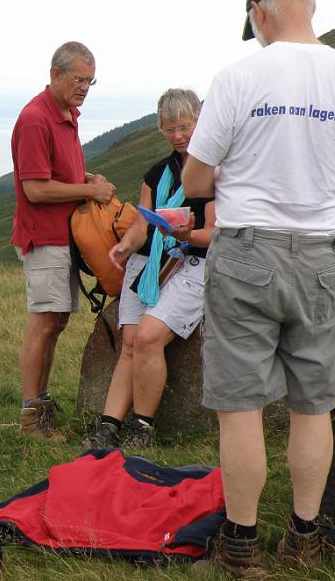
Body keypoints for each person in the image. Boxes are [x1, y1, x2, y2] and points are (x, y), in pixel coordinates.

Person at [182, 0, 335, 576]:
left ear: (258, 13)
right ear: (311, 5)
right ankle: (303, 538)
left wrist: (238, 167)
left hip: (247, 251)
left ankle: (241, 550)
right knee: (312, 405)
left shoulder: (238, 78)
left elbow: (196, 183)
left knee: (241, 406)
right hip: (323, 255)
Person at [86, 88, 215, 450]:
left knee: (146, 336)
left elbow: (217, 234)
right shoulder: (156, 174)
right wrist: (126, 245)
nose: (178, 136)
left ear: (199, 121)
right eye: (170, 129)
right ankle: (109, 425)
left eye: (185, 127)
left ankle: (143, 427)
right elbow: (142, 223)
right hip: (150, 260)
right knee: (130, 341)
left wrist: (185, 233)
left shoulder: (214, 172)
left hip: (191, 260)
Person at [11, 41, 115, 442]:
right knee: (43, 323)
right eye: (78, 79)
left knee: (55, 321)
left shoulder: (66, 115)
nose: (85, 88)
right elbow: (35, 189)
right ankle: (30, 417)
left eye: (90, 81)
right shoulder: (36, 119)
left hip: (64, 236)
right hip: (45, 236)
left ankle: (40, 406)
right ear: (55, 74)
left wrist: (87, 181)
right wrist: (89, 194)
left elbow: (59, 175)